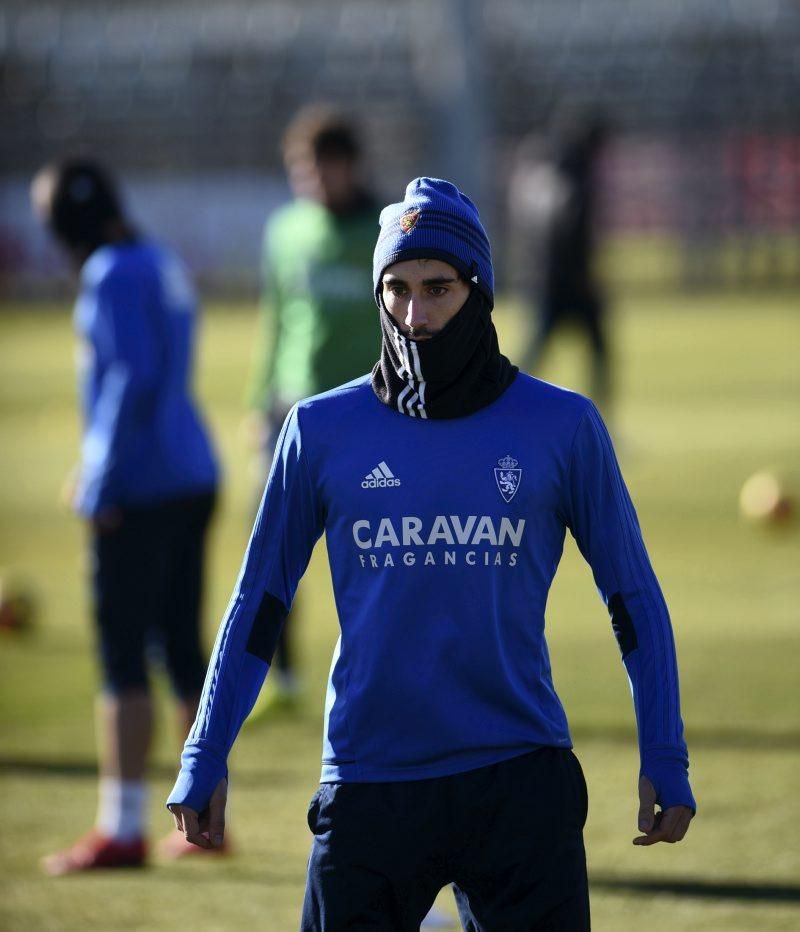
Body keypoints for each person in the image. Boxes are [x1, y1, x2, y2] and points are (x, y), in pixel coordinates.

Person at [168, 178, 695, 930]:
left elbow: (632, 601)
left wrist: (665, 754)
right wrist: (205, 750)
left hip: (518, 779)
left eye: (438, 288)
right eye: (397, 289)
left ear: (478, 290)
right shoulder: (319, 430)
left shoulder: (564, 426)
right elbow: (262, 601)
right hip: (368, 783)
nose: (415, 315)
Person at [31, 159, 220, 873]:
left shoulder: (109, 272)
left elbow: (128, 379)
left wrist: (98, 481)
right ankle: (207, 814)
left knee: (121, 654)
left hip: (139, 486)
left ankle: (123, 827)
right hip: (191, 471)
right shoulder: (156, 258)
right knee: (182, 647)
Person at [245, 105, 381, 710]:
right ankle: (283, 677)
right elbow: (275, 320)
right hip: (291, 412)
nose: (311, 181)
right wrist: (257, 405)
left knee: (377, 550)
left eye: (321, 167)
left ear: (348, 165)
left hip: (368, 413)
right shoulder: (284, 231)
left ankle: (381, 670)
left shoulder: (386, 232)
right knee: (272, 548)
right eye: (300, 169)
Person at [509, 109, 612, 412]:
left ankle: (508, 405)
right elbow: (569, 232)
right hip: (568, 282)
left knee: (538, 350)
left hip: (544, 280)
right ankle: (601, 418)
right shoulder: (576, 180)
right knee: (598, 351)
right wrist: (583, 276)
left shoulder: (544, 176)